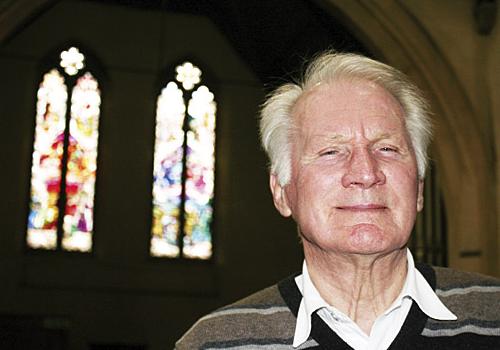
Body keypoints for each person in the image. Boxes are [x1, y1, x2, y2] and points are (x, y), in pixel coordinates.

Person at [175, 51, 500, 349]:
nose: (365, 172)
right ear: (282, 192)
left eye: (387, 148)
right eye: (331, 152)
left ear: (418, 187)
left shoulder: (493, 315)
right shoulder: (214, 343)